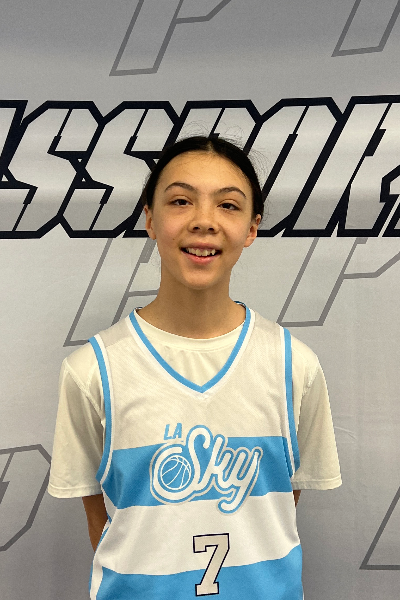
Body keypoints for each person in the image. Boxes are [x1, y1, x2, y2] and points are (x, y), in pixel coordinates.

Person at [48, 135, 341, 599]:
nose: (204, 221)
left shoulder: (294, 366)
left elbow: (280, 505)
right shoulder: (91, 371)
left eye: (228, 205)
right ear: (150, 218)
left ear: (252, 227)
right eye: (181, 201)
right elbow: (101, 519)